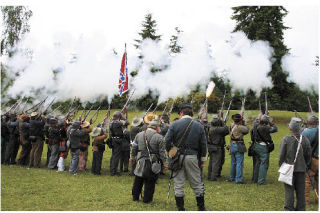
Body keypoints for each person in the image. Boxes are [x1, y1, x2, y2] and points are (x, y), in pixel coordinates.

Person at [165, 104, 207, 211]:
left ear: (182, 113)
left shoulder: (174, 124)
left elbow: (166, 140)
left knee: (178, 183)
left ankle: (181, 209)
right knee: (197, 183)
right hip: (192, 157)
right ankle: (201, 208)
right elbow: (203, 144)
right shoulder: (199, 126)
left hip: (177, 157)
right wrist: (202, 159)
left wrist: (171, 151)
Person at [130, 119, 167, 203]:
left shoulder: (139, 135)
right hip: (153, 162)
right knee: (150, 181)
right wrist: (165, 163)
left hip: (140, 161)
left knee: (138, 180)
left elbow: (134, 148)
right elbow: (162, 153)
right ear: (157, 128)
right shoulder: (160, 137)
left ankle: (135, 197)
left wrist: (132, 158)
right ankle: (147, 199)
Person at [279, 117, 311, 211]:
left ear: (290, 128)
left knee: (289, 191)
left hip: (288, 169)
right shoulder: (305, 140)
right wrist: (306, 165)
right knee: (301, 192)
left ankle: (289, 209)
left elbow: (281, 155)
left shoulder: (286, 139)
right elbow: (308, 155)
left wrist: (282, 166)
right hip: (301, 169)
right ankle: (301, 209)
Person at [251, 114, 277, 185]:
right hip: (263, 146)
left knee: (258, 163)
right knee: (264, 163)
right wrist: (271, 122)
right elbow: (275, 129)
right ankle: (261, 181)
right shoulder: (265, 128)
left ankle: (255, 179)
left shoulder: (255, 125)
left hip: (256, 145)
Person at [227, 113, 249, 184]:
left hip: (232, 145)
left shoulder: (231, 125)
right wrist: (244, 123)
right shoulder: (240, 127)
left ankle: (231, 177)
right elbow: (247, 130)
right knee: (239, 163)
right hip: (239, 145)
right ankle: (238, 179)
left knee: (233, 163)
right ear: (240, 120)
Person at [301, 115, 318, 204]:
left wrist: (303, 127)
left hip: (312, 159)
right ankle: (318, 198)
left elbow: (302, 145)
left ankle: (306, 200)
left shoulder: (305, 132)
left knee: (307, 180)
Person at [207, 115, 229, 181]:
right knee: (216, 163)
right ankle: (213, 177)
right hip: (216, 147)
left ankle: (210, 176)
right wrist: (223, 121)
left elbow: (225, 132)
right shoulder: (217, 129)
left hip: (211, 146)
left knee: (212, 162)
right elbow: (226, 129)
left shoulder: (211, 127)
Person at [109, 111, 127, 176]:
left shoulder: (111, 121)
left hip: (113, 140)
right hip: (117, 140)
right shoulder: (117, 122)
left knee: (114, 156)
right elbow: (127, 122)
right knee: (116, 157)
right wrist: (123, 117)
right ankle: (114, 172)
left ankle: (112, 170)